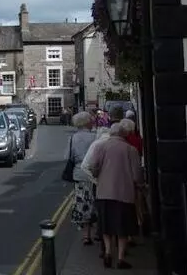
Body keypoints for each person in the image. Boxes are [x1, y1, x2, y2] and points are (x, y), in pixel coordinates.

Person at [83, 119, 143, 269]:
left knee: (106, 225)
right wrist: (140, 186)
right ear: (124, 134)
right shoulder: (131, 150)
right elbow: (137, 175)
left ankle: (108, 252)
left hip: (103, 192)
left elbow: (91, 166)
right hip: (124, 194)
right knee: (123, 227)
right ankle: (121, 258)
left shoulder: (101, 147)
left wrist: (98, 176)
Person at [68, 111, 98, 245]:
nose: (92, 122)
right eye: (91, 120)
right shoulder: (94, 137)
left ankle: (86, 236)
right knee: (96, 203)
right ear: (86, 122)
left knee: (82, 204)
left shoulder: (73, 138)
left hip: (79, 174)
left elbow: (68, 157)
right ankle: (99, 232)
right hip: (94, 174)